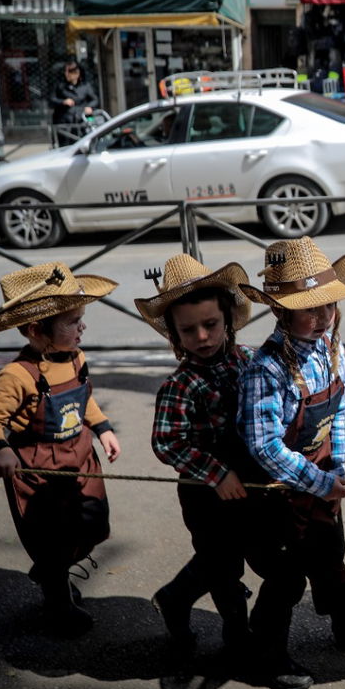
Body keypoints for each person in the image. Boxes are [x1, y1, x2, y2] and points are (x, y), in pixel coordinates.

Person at [236, 237, 345, 689]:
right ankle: (266, 651)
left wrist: (338, 464)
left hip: (323, 475)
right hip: (279, 491)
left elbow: (339, 408)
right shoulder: (266, 369)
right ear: (280, 311)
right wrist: (318, 481)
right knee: (286, 576)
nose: (324, 316)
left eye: (329, 305)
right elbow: (264, 446)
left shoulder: (330, 347)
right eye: (310, 309)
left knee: (330, 552)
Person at [0, 263, 122, 637]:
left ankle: (51, 570)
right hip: (41, 475)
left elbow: (85, 400)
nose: (81, 328)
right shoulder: (17, 375)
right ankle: (59, 603)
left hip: (81, 462)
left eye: (80, 319)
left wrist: (103, 428)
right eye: (72, 322)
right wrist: (1, 450)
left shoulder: (76, 357)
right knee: (53, 542)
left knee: (93, 525)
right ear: (37, 330)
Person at [139, 255, 256, 659]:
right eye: (188, 330)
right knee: (221, 564)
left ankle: (174, 596)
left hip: (250, 481)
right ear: (174, 334)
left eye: (211, 325)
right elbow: (167, 442)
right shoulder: (180, 385)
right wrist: (216, 473)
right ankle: (237, 636)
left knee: (229, 556)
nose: (203, 337)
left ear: (229, 320)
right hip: (205, 492)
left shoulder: (248, 361)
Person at [50, 59, 99, 127]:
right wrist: (63, 102)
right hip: (64, 121)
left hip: (82, 119)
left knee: (92, 125)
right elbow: (52, 100)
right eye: (65, 71)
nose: (67, 74)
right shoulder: (59, 85)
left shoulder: (85, 86)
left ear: (77, 73)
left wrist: (89, 107)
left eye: (70, 71)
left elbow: (95, 100)